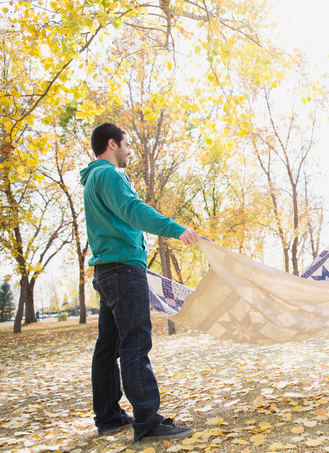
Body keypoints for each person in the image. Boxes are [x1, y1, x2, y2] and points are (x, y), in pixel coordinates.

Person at [80, 123, 200, 441]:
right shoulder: (109, 175)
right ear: (112, 144)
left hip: (106, 270)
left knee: (107, 346)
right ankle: (147, 421)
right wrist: (176, 229)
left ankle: (108, 416)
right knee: (135, 343)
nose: (130, 150)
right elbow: (133, 210)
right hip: (122, 270)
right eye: (127, 144)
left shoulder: (91, 179)